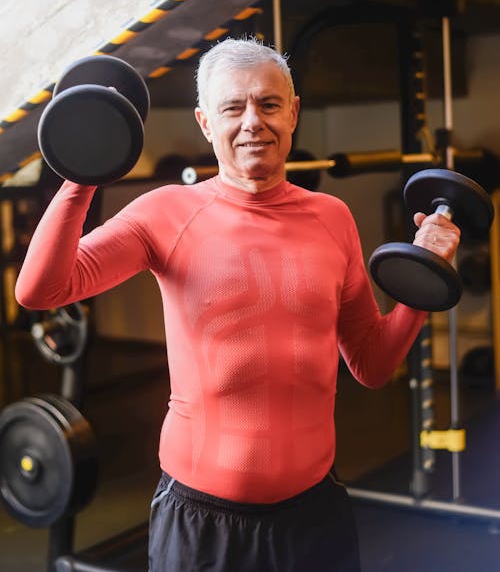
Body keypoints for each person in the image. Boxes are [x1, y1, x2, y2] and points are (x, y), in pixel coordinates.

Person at [15, 37, 461, 572]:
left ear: (292, 113)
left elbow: (371, 363)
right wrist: (81, 171)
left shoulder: (333, 217)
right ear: (206, 123)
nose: (253, 122)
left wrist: (423, 279)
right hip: (203, 526)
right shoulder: (165, 213)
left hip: (315, 518)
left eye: (269, 104)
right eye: (233, 107)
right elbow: (40, 289)